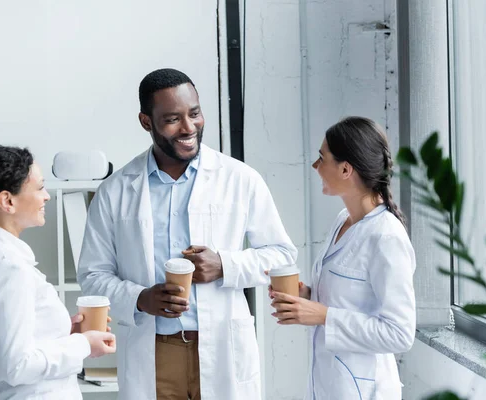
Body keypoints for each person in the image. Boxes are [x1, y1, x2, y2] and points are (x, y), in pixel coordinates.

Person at [77, 68, 297, 400]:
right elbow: (93, 275)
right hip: (154, 350)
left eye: (194, 114)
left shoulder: (240, 178)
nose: (188, 127)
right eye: (172, 119)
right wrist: (140, 298)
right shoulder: (116, 190)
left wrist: (225, 264)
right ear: (146, 121)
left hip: (221, 346)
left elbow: (281, 255)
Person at [0, 146, 116, 399]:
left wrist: (60, 333)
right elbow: (18, 366)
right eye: (39, 188)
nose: (47, 196)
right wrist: (83, 344)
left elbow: (9, 340)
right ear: (8, 201)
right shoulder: (8, 266)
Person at [270, 117, 416, 400]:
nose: (316, 166)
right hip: (329, 385)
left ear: (346, 169)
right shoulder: (343, 221)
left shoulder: (386, 237)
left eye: (321, 158)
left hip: (364, 390)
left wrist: (323, 316)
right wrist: (308, 296)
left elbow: (400, 334)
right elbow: (351, 298)